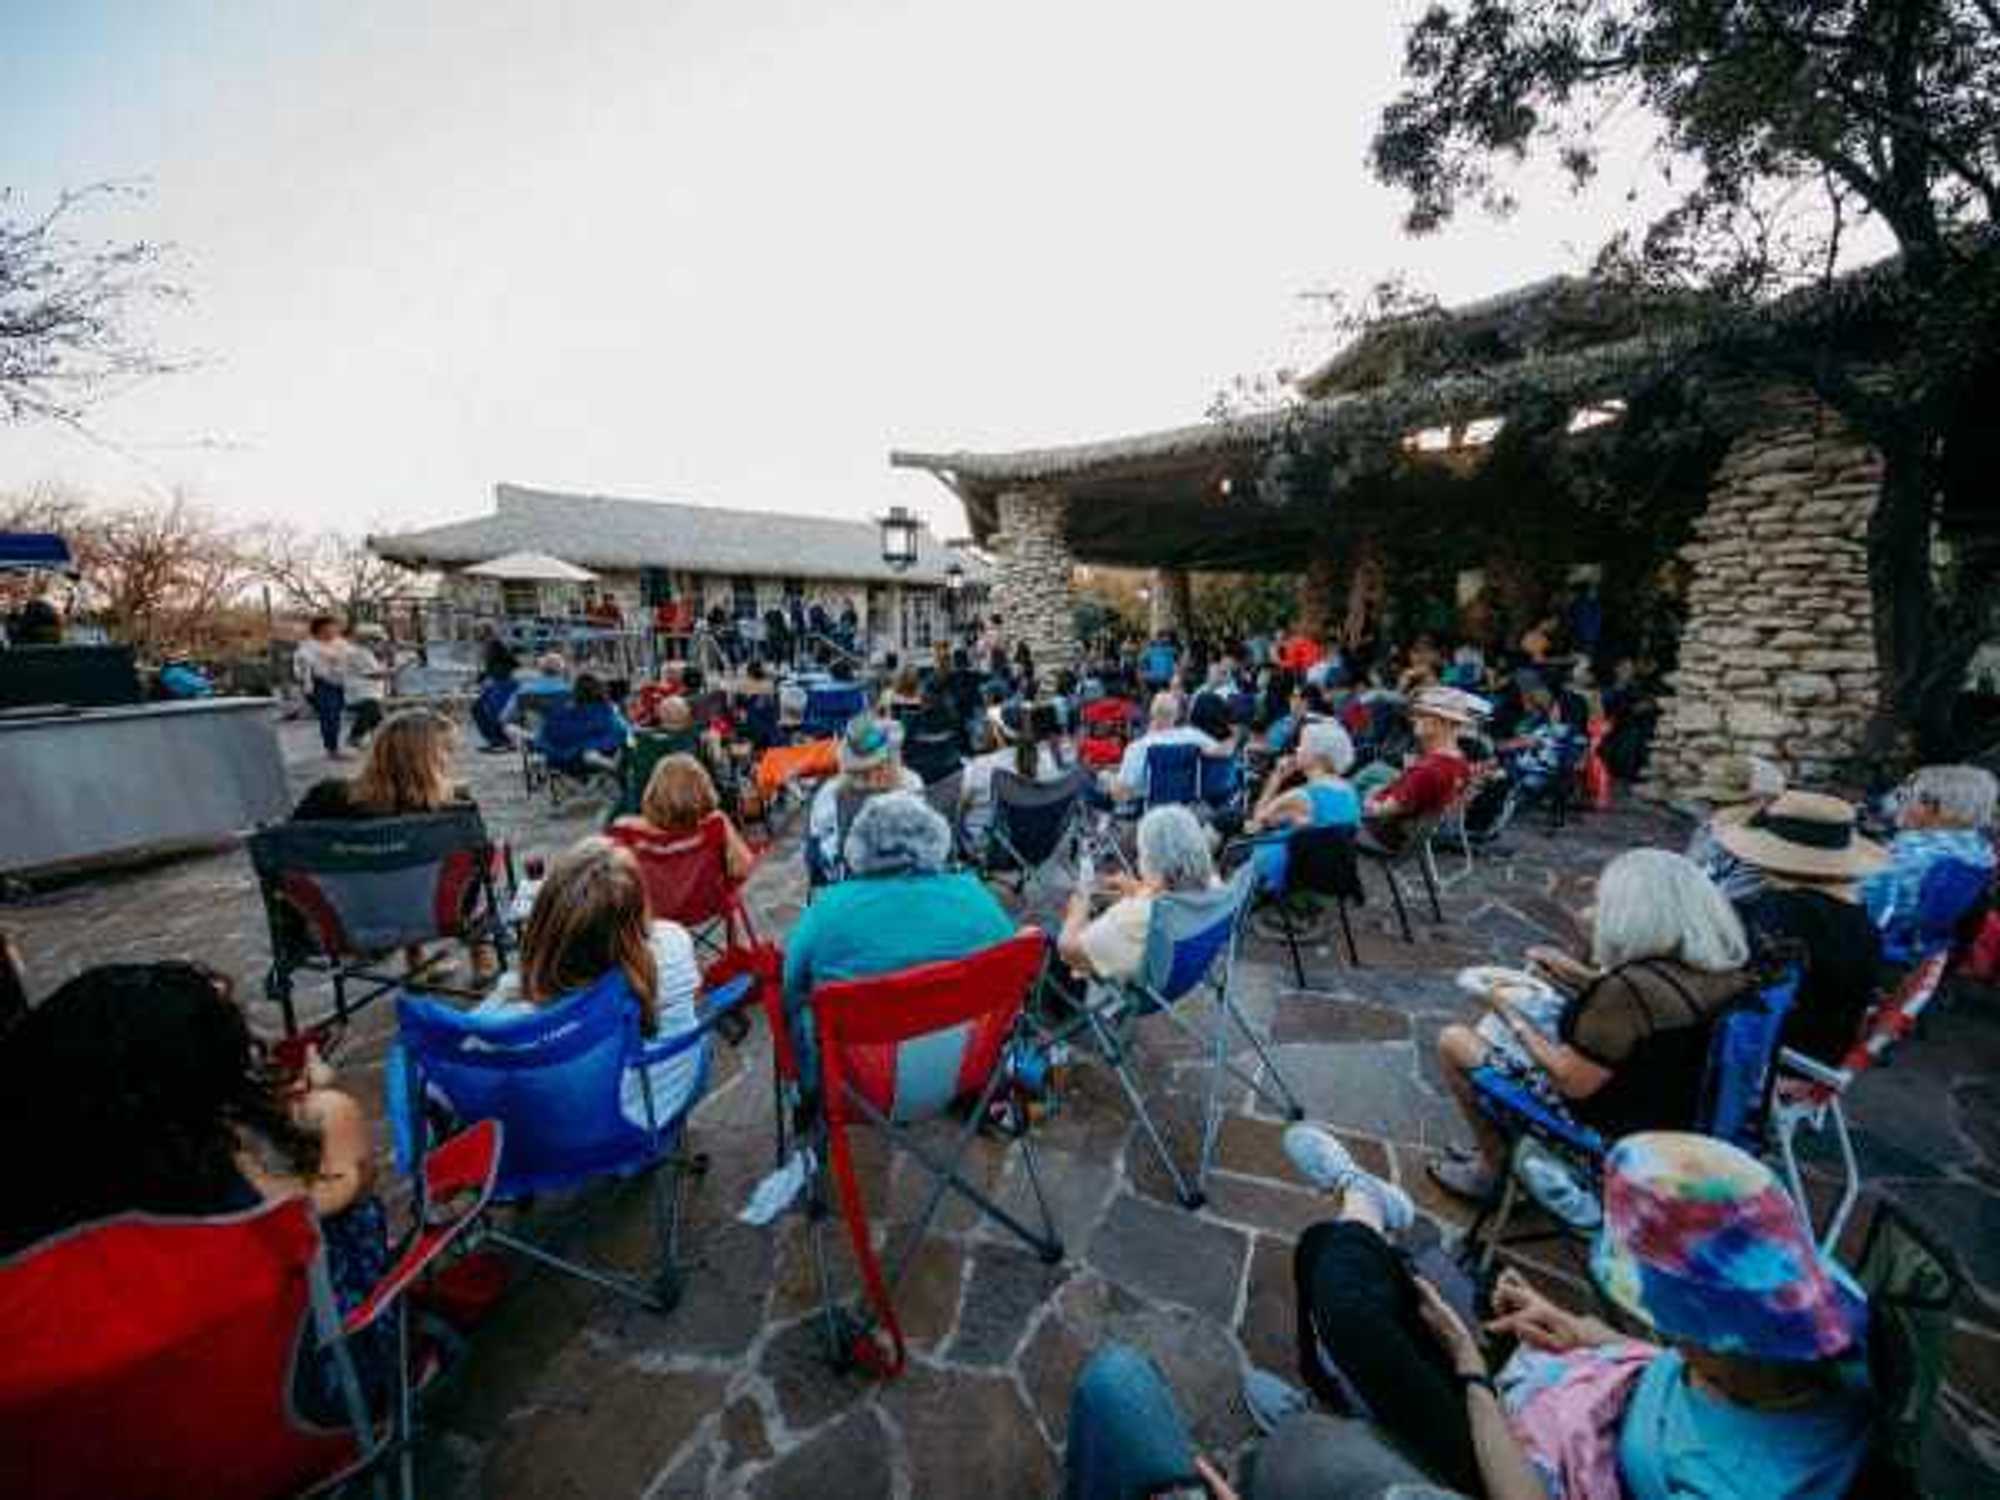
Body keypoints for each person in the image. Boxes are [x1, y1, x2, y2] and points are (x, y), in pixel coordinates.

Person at [1205, 1128, 1870, 1499]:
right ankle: (1365, 1224)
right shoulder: (1784, 1332)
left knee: (1351, 1302)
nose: (1666, 1332)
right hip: (1562, 1385)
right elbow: (1681, 1373)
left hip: (1514, 1461)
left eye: (1668, 1319)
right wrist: (1582, 1331)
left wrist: (1468, 1371)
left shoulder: (1747, 1484)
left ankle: (1362, 1202)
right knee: (1358, 1265)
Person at [0, 962, 391, 1420]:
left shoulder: (43, 1241)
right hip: (292, 1413)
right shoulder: (225, 1214)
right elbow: (323, 1195)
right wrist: (328, 1115)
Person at [1431, 848, 1752, 1200]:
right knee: (1516, 1030)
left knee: (1455, 1041)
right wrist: (1580, 976)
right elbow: (1653, 1017)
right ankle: (1502, 1150)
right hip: (1675, 1117)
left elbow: (1568, 1081)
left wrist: (1505, 1008)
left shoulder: (1630, 990)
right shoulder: (1717, 969)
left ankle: (1495, 1168)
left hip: (1609, 1139)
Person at [782, 792, 1015, 1087]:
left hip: (861, 1087)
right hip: (963, 1067)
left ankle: (806, 1098)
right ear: (936, 838)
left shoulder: (828, 910)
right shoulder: (974, 896)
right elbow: (1009, 966)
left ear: (858, 846)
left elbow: (790, 985)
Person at [472, 838, 704, 1129]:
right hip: (670, 1095)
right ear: (638, 903)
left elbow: (450, 1065)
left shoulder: (515, 1020)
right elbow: (693, 1000)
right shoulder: (674, 941)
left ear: (549, 922)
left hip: (575, 1139)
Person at [291, 709, 497, 982]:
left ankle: (417, 961)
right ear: (430, 759)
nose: (450, 760)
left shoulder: (324, 797)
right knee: (477, 868)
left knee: (387, 870)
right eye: (447, 751)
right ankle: (482, 958)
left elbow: (291, 851)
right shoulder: (451, 811)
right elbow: (474, 877)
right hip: (434, 917)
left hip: (347, 921)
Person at [1715, 791, 1888, 1063]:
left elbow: (1741, 991)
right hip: (1825, 1044)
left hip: (1780, 1056)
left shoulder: (1783, 912)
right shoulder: (1852, 910)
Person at [1060, 805, 1216, 984]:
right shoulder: (1214, 887)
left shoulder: (1133, 915)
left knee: (1044, 941)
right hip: (1188, 968)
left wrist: (1078, 906)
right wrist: (1137, 888)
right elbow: (1171, 890)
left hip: (1150, 983)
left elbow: (1070, 950)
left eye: (1141, 853)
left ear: (1152, 861)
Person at [1860, 763, 1998, 933]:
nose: (1899, 805)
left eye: (1904, 796)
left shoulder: (1912, 856)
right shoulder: (1980, 853)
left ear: (1933, 808)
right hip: (1929, 946)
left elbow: (1862, 903)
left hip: (1882, 945)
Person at [1360, 686, 1483, 851]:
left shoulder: (1427, 770)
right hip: (1412, 832)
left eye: (1421, 715)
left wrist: (1367, 803)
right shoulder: (1460, 762)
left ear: (1442, 723)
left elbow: (1383, 811)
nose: (1413, 719)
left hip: (1383, 835)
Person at [1245, 720, 1361, 895]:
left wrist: (1276, 777)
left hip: (1287, 869)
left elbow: (1256, 822)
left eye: (1301, 745)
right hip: (1330, 871)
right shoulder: (1349, 789)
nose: (1296, 749)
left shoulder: (1302, 796)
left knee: (1236, 830)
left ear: (1318, 757)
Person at [807, 714, 924, 879]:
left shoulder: (911, 782)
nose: (874, 777)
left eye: (882, 766)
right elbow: (823, 848)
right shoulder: (832, 793)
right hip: (859, 876)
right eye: (863, 772)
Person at [611, 751, 756, 884]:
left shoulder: (627, 830)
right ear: (703, 788)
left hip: (654, 910)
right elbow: (742, 869)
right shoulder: (715, 824)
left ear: (653, 789)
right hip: (708, 909)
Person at [962, 700, 1069, 848]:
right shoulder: (1047, 760)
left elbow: (960, 814)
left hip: (994, 851)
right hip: (1042, 845)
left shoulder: (978, 766)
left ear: (998, 733)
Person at [1684, 754, 1788, 902]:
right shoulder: (1708, 829)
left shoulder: (1760, 856)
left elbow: (1714, 905)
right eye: (1707, 801)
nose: (1710, 812)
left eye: (1723, 803)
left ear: (1761, 803)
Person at [1110, 692, 1232, 803]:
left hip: (1152, 810)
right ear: (1177, 715)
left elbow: (1121, 793)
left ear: (1151, 714)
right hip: (1190, 807)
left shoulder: (1139, 747)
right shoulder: (1194, 736)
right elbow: (1223, 752)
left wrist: (1110, 780)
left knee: (1107, 778)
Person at [525, 671, 630, 777]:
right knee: (591, 754)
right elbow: (616, 727)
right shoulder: (602, 707)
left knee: (589, 754)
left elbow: (552, 733)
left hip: (578, 751)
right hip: (589, 750)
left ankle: (609, 764)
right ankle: (611, 764)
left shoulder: (568, 706)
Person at [294, 615, 351, 760]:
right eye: (329, 628)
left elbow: (352, 657)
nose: (333, 631)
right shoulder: (308, 646)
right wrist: (306, 684)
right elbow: (301, 666)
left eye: (334, 628)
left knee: (336, 716)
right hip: (321, 684)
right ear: (320, 630)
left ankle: (335, 746)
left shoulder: (341, 643)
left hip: (340, 683)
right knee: (329, 715)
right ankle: (332, 749)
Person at [341, 623, 393, 747]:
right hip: (362, 694)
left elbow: (378, 669)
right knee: (371, 710)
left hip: (370, 693)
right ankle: (355, 737)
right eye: (377, 640)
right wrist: (398, 669)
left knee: (377, 719)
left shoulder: (366, 653)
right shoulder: (358, 653)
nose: (380, 643)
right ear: (367, 639)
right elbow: (374, 674)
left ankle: (381, 741)